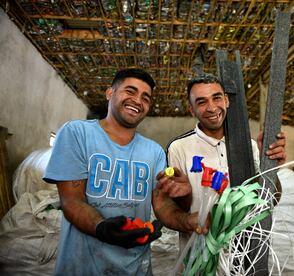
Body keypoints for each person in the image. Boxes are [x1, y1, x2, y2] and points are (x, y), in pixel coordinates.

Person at [43, 68, 200, 275]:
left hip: (135, 267)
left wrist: (188, 219)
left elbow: (162, 205)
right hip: (82, 266)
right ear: (110, 93)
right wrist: (101, 227)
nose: (138, 100)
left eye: (145, 97)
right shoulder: (77, 133)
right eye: (130, 91)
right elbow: (71, 201)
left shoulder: (153, 151)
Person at [159, 73, 286, 251]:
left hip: (245, 252)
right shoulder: (179, 147)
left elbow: (271, 199)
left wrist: (271, 168)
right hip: (199, 255)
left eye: (216, 98)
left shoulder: (248, 145)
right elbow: (176, 206)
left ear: (226, 100)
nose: (211, 108)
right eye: (201, 102)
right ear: (192, 110)